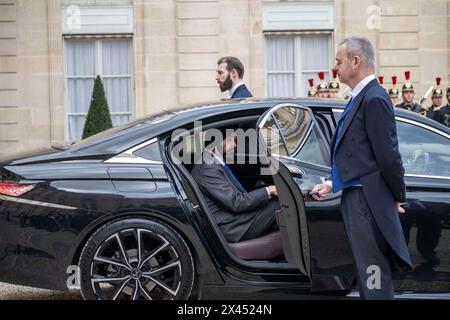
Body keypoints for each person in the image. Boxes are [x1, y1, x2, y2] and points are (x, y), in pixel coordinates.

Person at [310, 36, 412, 299]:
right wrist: (333, 183)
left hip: (368, 200)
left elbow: (388, 155)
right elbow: (358, 155)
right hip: (358, 196)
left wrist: (397, 196)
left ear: (356, 61)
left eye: (339, 61)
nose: (335, 67)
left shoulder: (374, 98)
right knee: (368, 271)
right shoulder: (361, 97)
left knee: (373, 270)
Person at [191, 130, 279, 243]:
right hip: (234, 227)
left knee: (273, 200)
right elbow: (236, 203)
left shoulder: (212, 163)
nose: (236, 145)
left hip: (236, 219)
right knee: (283, 203)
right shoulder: (207, 169)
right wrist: (269, 190)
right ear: (222, 141)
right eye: (234, 140)